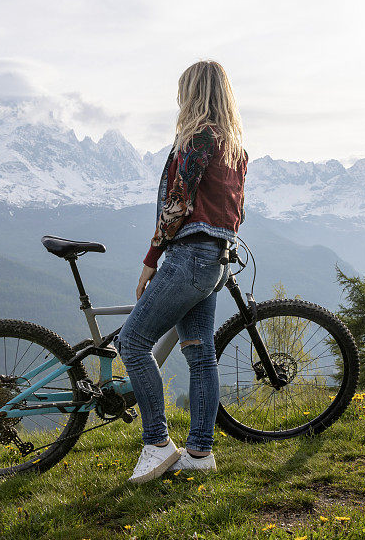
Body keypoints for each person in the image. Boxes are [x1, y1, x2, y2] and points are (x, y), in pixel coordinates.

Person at [113, 60, 248, 484]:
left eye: (182, 89)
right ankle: (199, 452)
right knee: (199, 352)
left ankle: (156, 444)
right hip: (215, 261)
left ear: (192, 92)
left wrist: (151, 260)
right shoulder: (234, 147)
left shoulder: (198, 139)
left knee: (132, 342)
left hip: (188, 256)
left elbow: (177, 204)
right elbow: (234, 213)